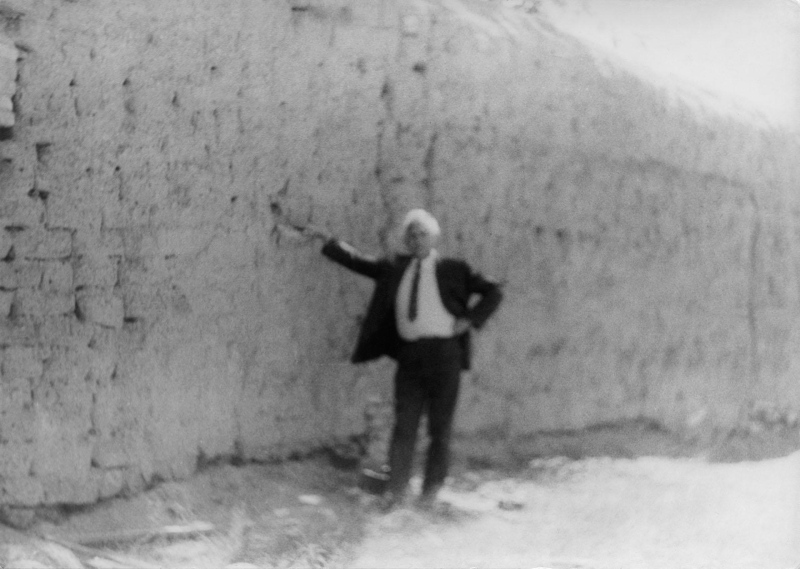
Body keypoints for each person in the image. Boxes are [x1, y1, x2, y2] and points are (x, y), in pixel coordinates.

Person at [314, 209, 503, 509]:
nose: (416, 239)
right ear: (405, 240)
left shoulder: (454, 269)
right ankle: (396, 492)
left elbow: (493, 291)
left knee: (440, 428)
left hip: (445, 355)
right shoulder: (394, 267)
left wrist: (470, 319)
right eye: (411, 235)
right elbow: (358, 262)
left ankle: (430, 493)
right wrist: (327, 241)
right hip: (410, 356)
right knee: (404, 425)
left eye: (422, 234)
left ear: (434, 237)